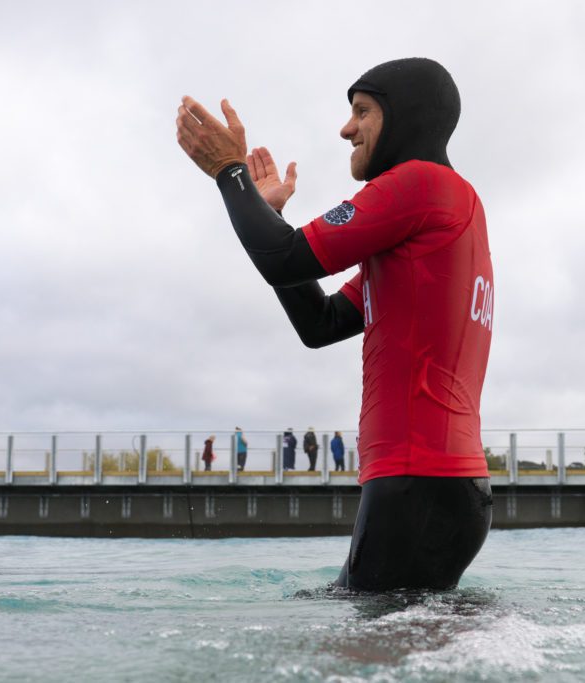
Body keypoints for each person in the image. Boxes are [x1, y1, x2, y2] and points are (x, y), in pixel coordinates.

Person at [176, 57, 493, 591]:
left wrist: (230, 175)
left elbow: (285, 258)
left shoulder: (416, 184)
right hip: (444, 487)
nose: (346, 128)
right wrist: (270, 217)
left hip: (415, 483)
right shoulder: (449, 209)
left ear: (407, 118)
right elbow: (319, 323)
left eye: (363, 111)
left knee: (355, 658)